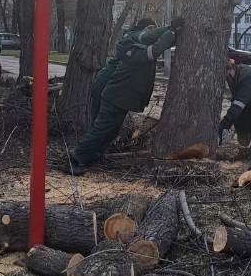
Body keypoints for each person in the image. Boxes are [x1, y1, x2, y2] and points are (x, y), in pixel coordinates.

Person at [66, 17, 184, 175]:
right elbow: (153, 49)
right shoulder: (133, 47)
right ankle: (76, 157)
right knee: (101, 128)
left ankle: (93, 155)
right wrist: (170, 30)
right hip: (115, 96)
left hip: (119, 97)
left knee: (110, 129)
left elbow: (155, 41)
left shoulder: (133, 43)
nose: (152, 34)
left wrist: (173, 33)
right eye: (150, 30)